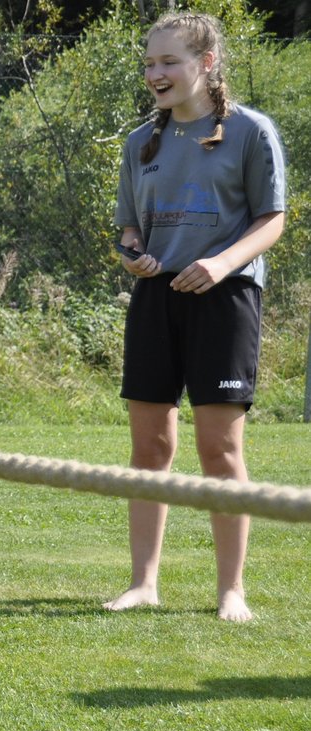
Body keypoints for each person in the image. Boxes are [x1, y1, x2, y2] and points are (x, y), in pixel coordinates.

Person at [104, 11, 287, 624]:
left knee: (219, 449)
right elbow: (130, 225)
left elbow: (272, 220)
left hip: (226, 298)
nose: (155, 74)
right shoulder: (139, 142)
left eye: (169, 62)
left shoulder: (251, 132)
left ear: (206, 64)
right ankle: (142, 583)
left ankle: (231, 591)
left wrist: (219, 264)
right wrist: (133, 254)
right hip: (156, 298)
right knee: (150, 447)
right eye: (150, 63)